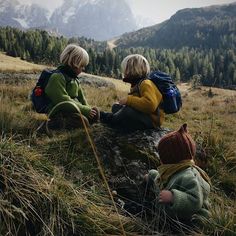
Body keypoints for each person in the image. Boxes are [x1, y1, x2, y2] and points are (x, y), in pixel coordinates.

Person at [144, 123, 211, 229]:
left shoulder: (188, 176)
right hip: (174, 215)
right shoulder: (174, 169)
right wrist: (152, 176)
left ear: (170, 158)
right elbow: (165, 179)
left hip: (189, 219)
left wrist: (173, 197)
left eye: (162, 155)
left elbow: (195, 201)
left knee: (185, 228)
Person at [99, 54, 164, 132]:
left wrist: (129, 100)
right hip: (143, 115)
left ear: (133, 70)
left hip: (152, 121)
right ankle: (121, 121)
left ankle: (110, 119)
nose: (124, 72)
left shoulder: (146, 84)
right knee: (116, 107)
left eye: (125, 69)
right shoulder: (138, 83)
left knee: (127, 111)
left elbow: (150, 105)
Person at [44, 44, 99, 129]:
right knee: (82, 121)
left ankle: (86, 122)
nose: (83, 68)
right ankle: (54, 123)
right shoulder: (57, 77)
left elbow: (82, 98)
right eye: (81, 66)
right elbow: (62, 101)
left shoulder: (74, 79)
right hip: (59, 111)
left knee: (95, 112)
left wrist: (88, 109)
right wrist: (84, 110)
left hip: (72, 109)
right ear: (74, 63)